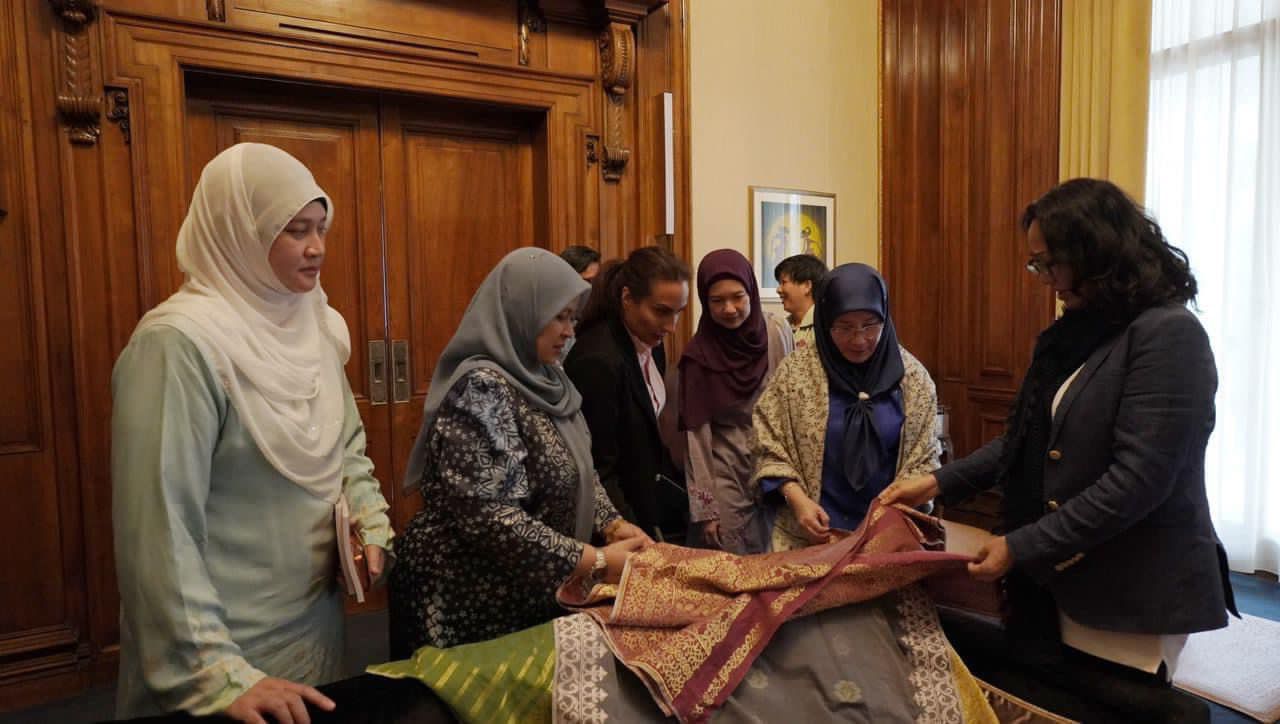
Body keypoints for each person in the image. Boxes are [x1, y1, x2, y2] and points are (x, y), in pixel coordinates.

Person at [880, 178, 1237, 722]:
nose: (1045, 279)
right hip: (1063, 573)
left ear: (1095, 252)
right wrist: (935, 482)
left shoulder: (1169, 335)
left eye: (1050, 263)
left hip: (1132, 582)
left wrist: (1021, 545)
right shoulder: (1078, 333)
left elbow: (1138, 481)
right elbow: (1025, 441)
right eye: (1036, 265)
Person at [111, 143, 393, 723]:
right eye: (295, 230)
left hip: (315, 622)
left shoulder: (312, 322)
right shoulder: (177, 345)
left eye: (321, 228)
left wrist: (368, 515)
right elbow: (159, 530)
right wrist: (217, 675)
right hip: (223, 649)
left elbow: (343, 443)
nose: (317, 248)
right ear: (238, 233)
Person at [390, 247, 651, 654]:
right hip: (466, 597)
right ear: (520, 311)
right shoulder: (482, 388)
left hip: (529, 587)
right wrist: (595, 561)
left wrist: (611, 523)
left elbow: (578, 467)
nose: (569, 332)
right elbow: (491, 517)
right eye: (558, 317)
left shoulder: (551, 379)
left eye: (573, 318)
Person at [752, 263, 940, 551]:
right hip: (808, 537)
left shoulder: (913, 380)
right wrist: (797, 499)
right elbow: (767, 444)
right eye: (844, 327)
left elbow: (925, 461)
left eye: (870, 325)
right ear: (826, 322)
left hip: (887, 539)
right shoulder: (795, 375)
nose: (859, 339)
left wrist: (889, 518)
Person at [659, 249, 792, 553]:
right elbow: (696, 440)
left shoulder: (775, 333)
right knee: (733, 560)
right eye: (717, 301)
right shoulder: (698, 357)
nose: (729, 309)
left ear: (751, 292)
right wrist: (707, 512)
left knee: (776, 559)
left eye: (738, 297)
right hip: (725, 470)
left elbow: (789, 404)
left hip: (774, 465)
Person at [565, 246, 691, 541]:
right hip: (611, 525)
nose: (672, 327)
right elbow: (598, 467)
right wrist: (628, 532)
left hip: (643, 506)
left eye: (678, 313)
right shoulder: (597, 360)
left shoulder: (651, 344)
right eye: (661, 311)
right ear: (627, 299)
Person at [773, 253, 827, 350]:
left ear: (807, 286)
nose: (778, 290)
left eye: (784, 282)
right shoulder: (781, 327)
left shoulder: (825, 327)